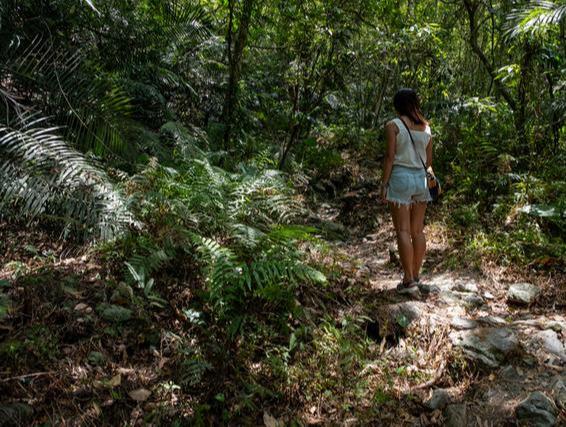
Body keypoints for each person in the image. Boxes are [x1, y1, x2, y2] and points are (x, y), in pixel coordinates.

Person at [380, 88, 432, 294]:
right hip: (421, 180)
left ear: (397, 105)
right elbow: (428, 163)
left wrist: (384, 185)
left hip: (401, 179)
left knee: (402, 230)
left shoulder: (393, 125)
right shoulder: (426, 128)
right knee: (417, 231)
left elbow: (390, 157)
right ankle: (416, 276)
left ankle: (408, 279)